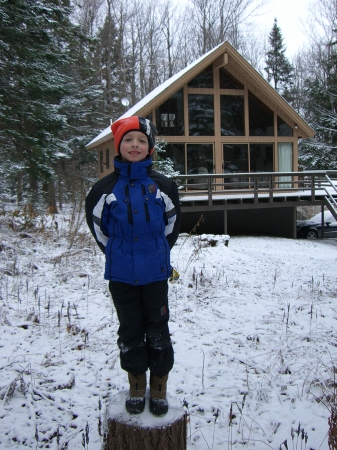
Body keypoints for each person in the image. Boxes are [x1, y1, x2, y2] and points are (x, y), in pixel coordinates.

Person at [85, 116, 181, 416]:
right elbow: (99, 229)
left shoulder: (163, 186)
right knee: (130, 330)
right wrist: (119, 252)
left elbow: (172, 227)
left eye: (141, 140)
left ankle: (159, 387)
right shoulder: (103, 189)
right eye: (128, 140)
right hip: (122, 277)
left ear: (150, 147)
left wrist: (155, 253)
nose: (135, 145)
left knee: (157, 329)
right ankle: (137, 385)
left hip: (155, 275)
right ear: (119, 146)